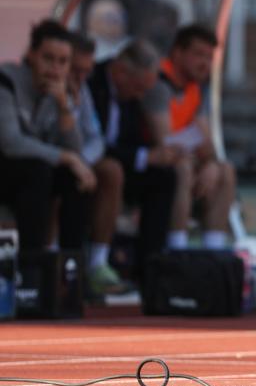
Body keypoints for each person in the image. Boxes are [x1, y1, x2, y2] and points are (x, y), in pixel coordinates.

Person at [87, 40, 179, 285]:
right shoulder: (91, 82)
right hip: (90, 162)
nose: (140, 96)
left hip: (122, 163)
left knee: (164, 175)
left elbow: (129, 139)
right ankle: (97, 262)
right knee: (112, 171)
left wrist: (153, 156)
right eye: (138, 87)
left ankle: (151, 266)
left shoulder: (131, 97)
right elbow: (94, 140)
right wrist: (143, 156)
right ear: (120, 71)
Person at [0, 20, 95, 251]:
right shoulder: (6, 81)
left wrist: (64, 108)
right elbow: (11, 143)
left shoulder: (61, 91)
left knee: (77, 179)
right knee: (38, 171)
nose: (54, 69)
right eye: (48, 58)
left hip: (32, 173)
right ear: (31, 55)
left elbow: (77, 152)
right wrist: (67, 158)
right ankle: (32, 267)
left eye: (63, 62)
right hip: (6, 167)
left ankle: (70, 267)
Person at [144, 25, 234, 251]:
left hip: (183, 157)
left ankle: (213, 251)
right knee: (182, 168)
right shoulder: (157, 84)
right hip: (148, 163)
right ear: (177, 53)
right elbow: (164, 141)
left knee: (224, 171)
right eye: (198, 54)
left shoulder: (195, 89)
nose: (205, 63)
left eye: (209, 57)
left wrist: (210, 163)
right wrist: (198, 158)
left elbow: (205, 140)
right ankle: (177, 250)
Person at [67, 34, 132, 296]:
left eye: (86, 71)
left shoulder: (82, 89)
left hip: (77, 160)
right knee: (47, 177)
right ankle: (54, 264)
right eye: (75, 69)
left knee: (110, 171)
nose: (82, 76)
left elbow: (95, 137)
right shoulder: (45, 87)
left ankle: (97, 263)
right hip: (48, 162)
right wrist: (64, 107)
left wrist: (82, 161)